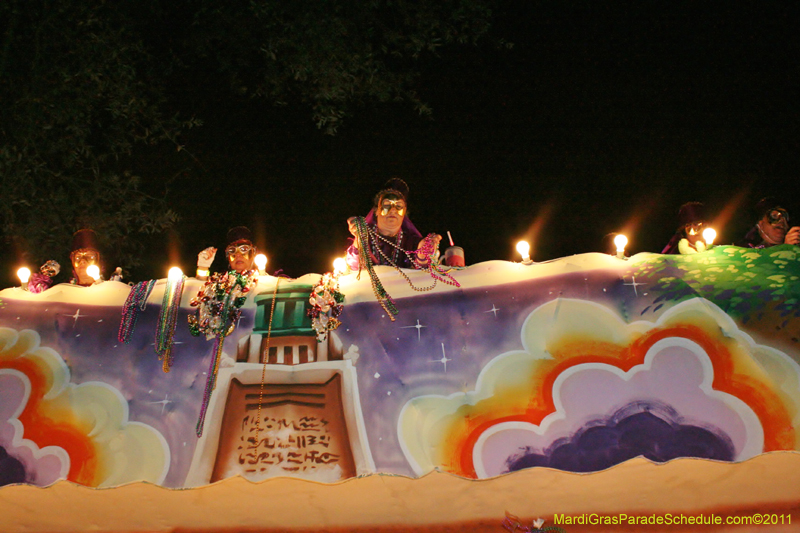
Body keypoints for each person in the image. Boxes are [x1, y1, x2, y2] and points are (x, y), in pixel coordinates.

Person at [345, 179, 442, 270]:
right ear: (376, 211)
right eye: (387, 205)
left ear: (404, 213)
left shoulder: (412, 242)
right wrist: (359, 239)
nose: (393, 210)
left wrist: (423, 255)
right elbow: (354, 268)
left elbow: (422, 274)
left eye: (398, 206)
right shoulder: (364, 236)